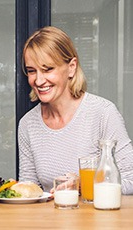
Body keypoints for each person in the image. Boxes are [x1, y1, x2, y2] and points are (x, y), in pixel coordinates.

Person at [18, 26, 133, 194]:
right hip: (48, 219)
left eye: (47, 69)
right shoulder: (27, 124)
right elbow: (29, 190)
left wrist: (81, 186)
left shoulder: (103, 113)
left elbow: (130, 180)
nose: (39, 80)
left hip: (96, 219)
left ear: (71, 67)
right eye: (31, 71)